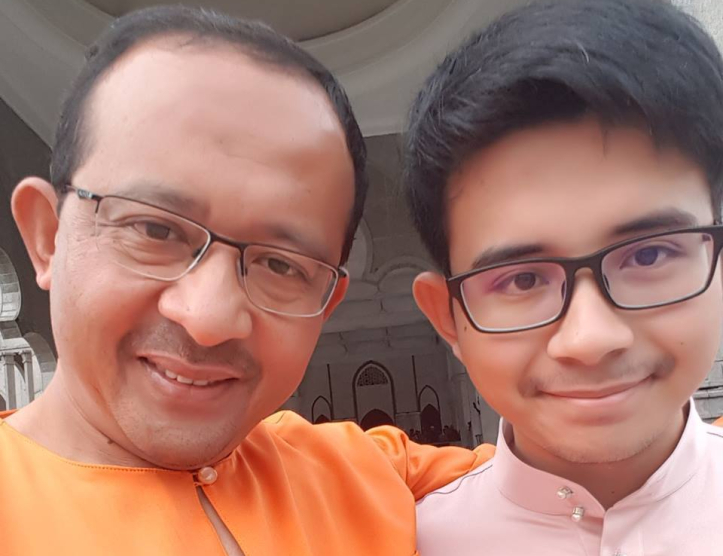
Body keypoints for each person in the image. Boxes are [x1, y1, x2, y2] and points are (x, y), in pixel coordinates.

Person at [1, 6, 492, 555]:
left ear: (326, 304)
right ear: (47, 236)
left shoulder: (370, 477)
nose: (209, 318)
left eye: (282, 264)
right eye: (155, 229)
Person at [404, 0, 723, 554]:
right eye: (522, 280)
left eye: (648, 256)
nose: (590, 339)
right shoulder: (406, 543)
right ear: (448, 319)